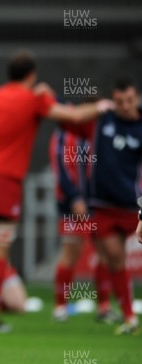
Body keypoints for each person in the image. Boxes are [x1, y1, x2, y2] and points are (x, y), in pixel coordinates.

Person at [0, 50, 114, 332]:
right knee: (0, 248)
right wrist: (101, 106)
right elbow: (73, 115)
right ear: (32, 74)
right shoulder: (33, 99)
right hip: (2, 180)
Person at [87, 76, 141, 335]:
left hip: (134, 208)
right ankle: (129, 317)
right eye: (119, 101)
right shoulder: (102, 120)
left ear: (137, 99)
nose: (125, 106)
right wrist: (96, 106)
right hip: (104, 206)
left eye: (129, 100)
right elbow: (69, 116)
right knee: (116, 260)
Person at [48, 124, 115, 323]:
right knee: (71, 252)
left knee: (106, 252)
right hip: (71, 205)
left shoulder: (103, 133)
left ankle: (104, 307)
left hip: (99, 204)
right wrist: (74, 197)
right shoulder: (65, 133)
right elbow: (60, 167)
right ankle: (60, 307)